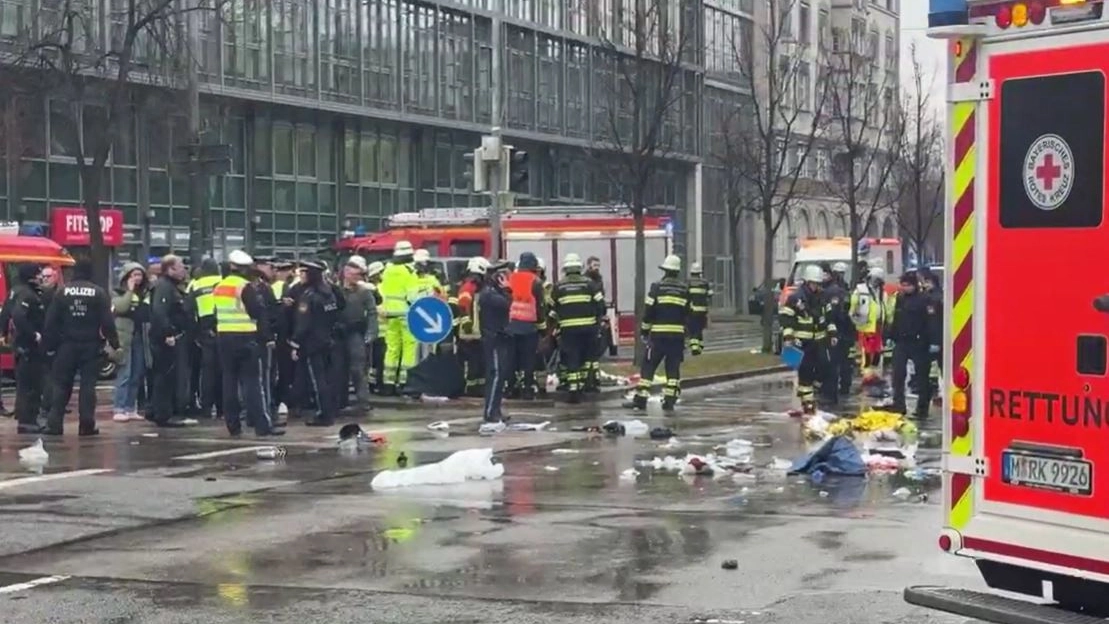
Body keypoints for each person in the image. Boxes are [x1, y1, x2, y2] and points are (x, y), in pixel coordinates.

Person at [43, 259, 120, 436]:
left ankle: (54, 424)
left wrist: (49, 347)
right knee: (88, 386)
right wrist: (115, 343)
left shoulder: (62, 292)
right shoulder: (99, 293)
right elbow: (107, 322)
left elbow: (51, 322)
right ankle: (87, 424)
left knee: (61, 385)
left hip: (67, 345)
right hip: (90, 346)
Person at [213, 250, 277, 437]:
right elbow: (257, 311)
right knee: (252, 383)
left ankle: (233, 425)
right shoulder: (244, 286)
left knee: (229, 382)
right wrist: (267, 336)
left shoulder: (219, 286)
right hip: (246, 337)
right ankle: (261, 426)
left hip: (224, 337)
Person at [632, 255, 692, 412]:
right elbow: (689, 313)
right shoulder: (684, 290)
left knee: (649, 366)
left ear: (665, 270)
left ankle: (641, 399)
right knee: (672, 368)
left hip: (658, 336)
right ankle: (670, 400)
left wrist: (644, 330)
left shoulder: (656, 287)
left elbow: (648, 311)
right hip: (677, 336)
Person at [780, 265, 836, 416]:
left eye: (818, 284)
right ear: (807, 282)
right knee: (805, 375)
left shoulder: (822, 298)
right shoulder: (796, 298)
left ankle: (809, 396)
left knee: (823, 370)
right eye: (814, 284)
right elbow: (786, 320)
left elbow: (827, 318)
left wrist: (832, 333)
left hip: (818, 342)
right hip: (802, 344)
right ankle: (807, 404)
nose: (817, 287)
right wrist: (789, 338)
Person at [550, 253, 605, 403]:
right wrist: (596, 319)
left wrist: (555, 325)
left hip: (568, 330)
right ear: (580, 268)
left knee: (572, 358)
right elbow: (601, 306)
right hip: (589, 329)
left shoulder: (558, 286)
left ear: (566, 269)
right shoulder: (590, 284)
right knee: (587, 357)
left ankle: (574, 389)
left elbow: (552, 311)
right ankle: (587, 384)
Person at [291, 260, 340, 426]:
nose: (301, 276)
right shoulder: (329, 293)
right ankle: (330, 410)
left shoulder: (309, 295)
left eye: (304, 273)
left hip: (312, 343)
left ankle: (323, 414)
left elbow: (303, 322)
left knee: (317, 380)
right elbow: (337, 310)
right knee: (328, 378)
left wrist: (295, 342)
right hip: (328, 340)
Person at [148, 255, 195, 428]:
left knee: (167, 376)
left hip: (174, 337)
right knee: (165, 376)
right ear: (170, 269)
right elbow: (160, 312)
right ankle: (163, 414)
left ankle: (156, 410)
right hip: (167, 340)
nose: (184, 269)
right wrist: (168, 333)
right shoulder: (164, 287)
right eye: (180, 266)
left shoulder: (171, 286)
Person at [887, 271, 936, 419]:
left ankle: (922, 409)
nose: (904, 288)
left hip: (919, 343)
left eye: (907, 285)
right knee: (898, 375)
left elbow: (931, 323)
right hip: (902, 342)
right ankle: (899, 405)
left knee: (922, 377)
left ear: (914, 285)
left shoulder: (925, 300)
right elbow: (897, 318)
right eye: (902, 285)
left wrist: (933, 342)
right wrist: (890, 335)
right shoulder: (900, 298)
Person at [336, 255, 376, 412]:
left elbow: (372, 312)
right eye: (354, 275)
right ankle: (341, 401)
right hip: (339, 333)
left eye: (358, 275)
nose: (357, 278)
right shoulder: (336, 290)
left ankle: (363, 401)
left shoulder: (364, 292)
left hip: (356, 333)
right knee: (339, 369)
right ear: (346, 273)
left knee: (358, 368)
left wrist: (371, 332)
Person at [111, 263, 150, 423]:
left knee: (136, 373)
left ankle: (130, 407)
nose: (137, 278)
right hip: (125, 337)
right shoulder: (118, 292)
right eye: (134, 275)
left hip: (139, 336)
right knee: (125, 373)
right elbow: (121, 307)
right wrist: (130, 290)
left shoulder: (144, 293)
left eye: (140, 275)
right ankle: (119, 408)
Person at [505, 252, 547, 400]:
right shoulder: (536, 282)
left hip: (510, 326)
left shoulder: (510, 279)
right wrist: (543, 329)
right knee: (528, 360)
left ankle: (510, 387)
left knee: (511, 359)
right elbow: (540, 307)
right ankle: (527, 389)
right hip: (529, 327)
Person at [10, 263, 46, 434]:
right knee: (31, 385)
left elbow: (6, 315)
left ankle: (25, 419)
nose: (41, 277)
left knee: (24, 384)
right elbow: (18, 316)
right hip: (28, 347)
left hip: (20, 346)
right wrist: (33, 335)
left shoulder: (15, 291)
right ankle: (28, 421)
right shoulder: (27, 294)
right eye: (38, 274)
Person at [379, 241, 417, 394]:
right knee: (409, 347)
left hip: (389, 313)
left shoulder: (388, 270)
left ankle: (388, 383)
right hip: (405, 313)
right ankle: (404, 382)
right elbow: (413, 295)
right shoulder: (409, 271)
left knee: (392, 348)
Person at [478, 260, 512, 424]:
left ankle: (495, 410)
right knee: (496, 375)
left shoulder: (493, 292)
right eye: (505, 276)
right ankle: (491, 412)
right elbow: (506, 304)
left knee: (500, 375)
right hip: (494, 338)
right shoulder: (490, 294)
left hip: (499, 337)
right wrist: (506, 289)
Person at [187, 258, 222, 419]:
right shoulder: (222, 282)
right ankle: (222, 408)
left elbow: (188, 310)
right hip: (223, 327)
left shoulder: (196, 284)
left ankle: (206, 407)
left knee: (207, 371)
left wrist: (196, 333)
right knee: (224, 371)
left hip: (204, 330)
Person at [454, 257, 488, 397]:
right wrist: (467, 322)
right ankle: (471, 388)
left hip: (476, 332)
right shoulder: (469, 285)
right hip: (469, 333)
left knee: (479, 361)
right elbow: (463, 304)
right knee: (473, 362)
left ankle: (478, 387)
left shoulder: (476, 286)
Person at [850, 266, 889, 386]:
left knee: (877, 351)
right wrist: (856, 320)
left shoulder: (882, 292)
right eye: (875, 279)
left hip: (878, 325)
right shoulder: (861, 290)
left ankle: (875, 374)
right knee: (867, 351)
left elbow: (885, 307)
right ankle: (867, 375)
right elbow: (853, 308)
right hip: (866, 325)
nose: (876, 282)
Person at [821, 262, 854, 405]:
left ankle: (831, 392)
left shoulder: (832, 291)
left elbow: (834, 313)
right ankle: (843, 387)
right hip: (845, 331)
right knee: (844, 361)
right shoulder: (844, 288)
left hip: (837, 331)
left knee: (833, 362)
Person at [583, 256, 607, 392]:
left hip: (596, 319)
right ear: (588, 265)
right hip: (588, 319)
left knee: (595, 354)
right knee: (588, 353)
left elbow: (601, 300)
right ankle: (588, 380)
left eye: (598, 265)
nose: (597, 267)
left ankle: (594, 378)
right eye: (594, 265)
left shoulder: (599, 280)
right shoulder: (586, 281)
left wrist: (602, 317)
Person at [364, 261, 386, 393]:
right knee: (375, 360)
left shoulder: (376, 288)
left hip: (381, 330)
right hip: (378, 330)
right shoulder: (372, 290)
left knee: (376, 361)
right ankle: (374, 384)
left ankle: (374, 384)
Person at [686, 262, 713, 356]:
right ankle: (700, 347)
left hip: (692, 310)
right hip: (703, 310)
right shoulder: (705, 282)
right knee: (699, 329)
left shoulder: (688, 282)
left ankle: (694, 348)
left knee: (693, 329)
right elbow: (710, 295)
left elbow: (685, 296)